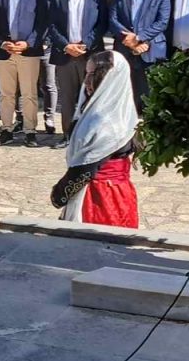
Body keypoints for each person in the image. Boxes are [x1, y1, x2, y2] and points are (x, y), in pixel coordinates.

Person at [51, 51, 139, 228]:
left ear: (111, 79)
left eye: (93, 75)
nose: (87, 81)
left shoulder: (108, 122)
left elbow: (86, 167)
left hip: (101, 198)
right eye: (87, 74)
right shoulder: (104, 113)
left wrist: (59, 194)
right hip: (112, 193)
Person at [0, 0, 49, 147]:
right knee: (6, 94)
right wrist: (1, 42)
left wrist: (29, 43)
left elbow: (43, 22)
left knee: (29, 93)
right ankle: (6, 129)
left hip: (28, 51)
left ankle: (30, 131)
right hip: (5, 50)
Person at [49, 0, 109, 149]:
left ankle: (89, 136)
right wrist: (66, 46)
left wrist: (86, 44)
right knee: (67, 98)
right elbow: (52, 26)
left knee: (92, 96)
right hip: (65, 55)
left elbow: (102, 24)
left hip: (89, 55)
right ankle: (67, 135)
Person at [109, 0, 171, 111]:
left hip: (151, 51)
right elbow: (113, 20)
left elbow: (162, 22)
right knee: (125, 97)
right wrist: (130, 41)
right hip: (124, 50)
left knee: (150, 99)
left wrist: (139, 38)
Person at [27, 0, 59, 136]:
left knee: (49, 84)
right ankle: (24, 118)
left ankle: (49, 117)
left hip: (46, 45)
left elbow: (52, 20)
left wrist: (46, 40)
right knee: (25, 85)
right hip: (26, 46)